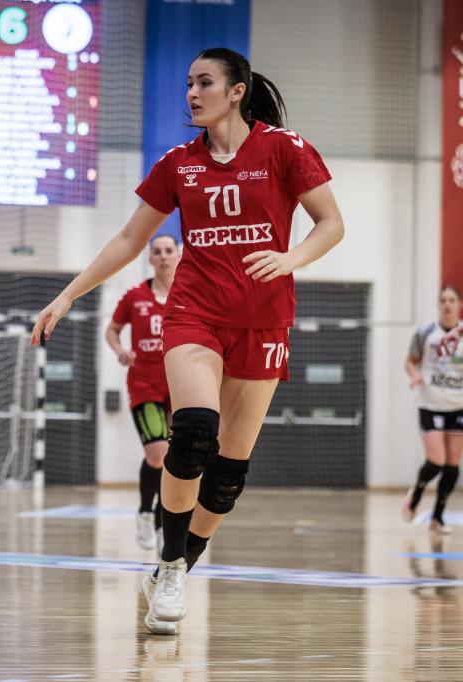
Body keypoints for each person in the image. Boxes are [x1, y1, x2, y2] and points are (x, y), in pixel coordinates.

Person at [31, 48, 343, 635]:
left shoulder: (284, 148)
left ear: (237, 90)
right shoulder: (178, 163)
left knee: (228, 474)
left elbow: (331, 223)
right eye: (189, 84)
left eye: (205, 83)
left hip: (264, 321)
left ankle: (173, 569)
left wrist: (290, 257)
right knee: (195, 431)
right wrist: (68, 295)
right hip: (195, 313)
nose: (192, 93)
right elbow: (129, 239)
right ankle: (171, 564)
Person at [105, 235, 180, 553]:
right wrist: (120, 351)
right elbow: (112, 330)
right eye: (157, 252)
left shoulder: (189, 294)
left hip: (180, 383)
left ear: (178, 255)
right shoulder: (135, 296)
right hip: (145, 384)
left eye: (168, 251)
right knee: (157, 454)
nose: (163, 256)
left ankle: (165, 524)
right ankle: (145, 513)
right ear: (150, 258)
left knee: (177, 458)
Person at [403, 286, 463, 534]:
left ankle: (437, 518)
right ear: (438, 305)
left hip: (458, 406)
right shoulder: (425, 333)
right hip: (431, 404)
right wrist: (416, 376)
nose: (448, 304)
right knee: (437, 460)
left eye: (452, 300)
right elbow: (409, 362)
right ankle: (417, 492)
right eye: (443, 300)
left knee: (452, 465)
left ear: (459, 305)